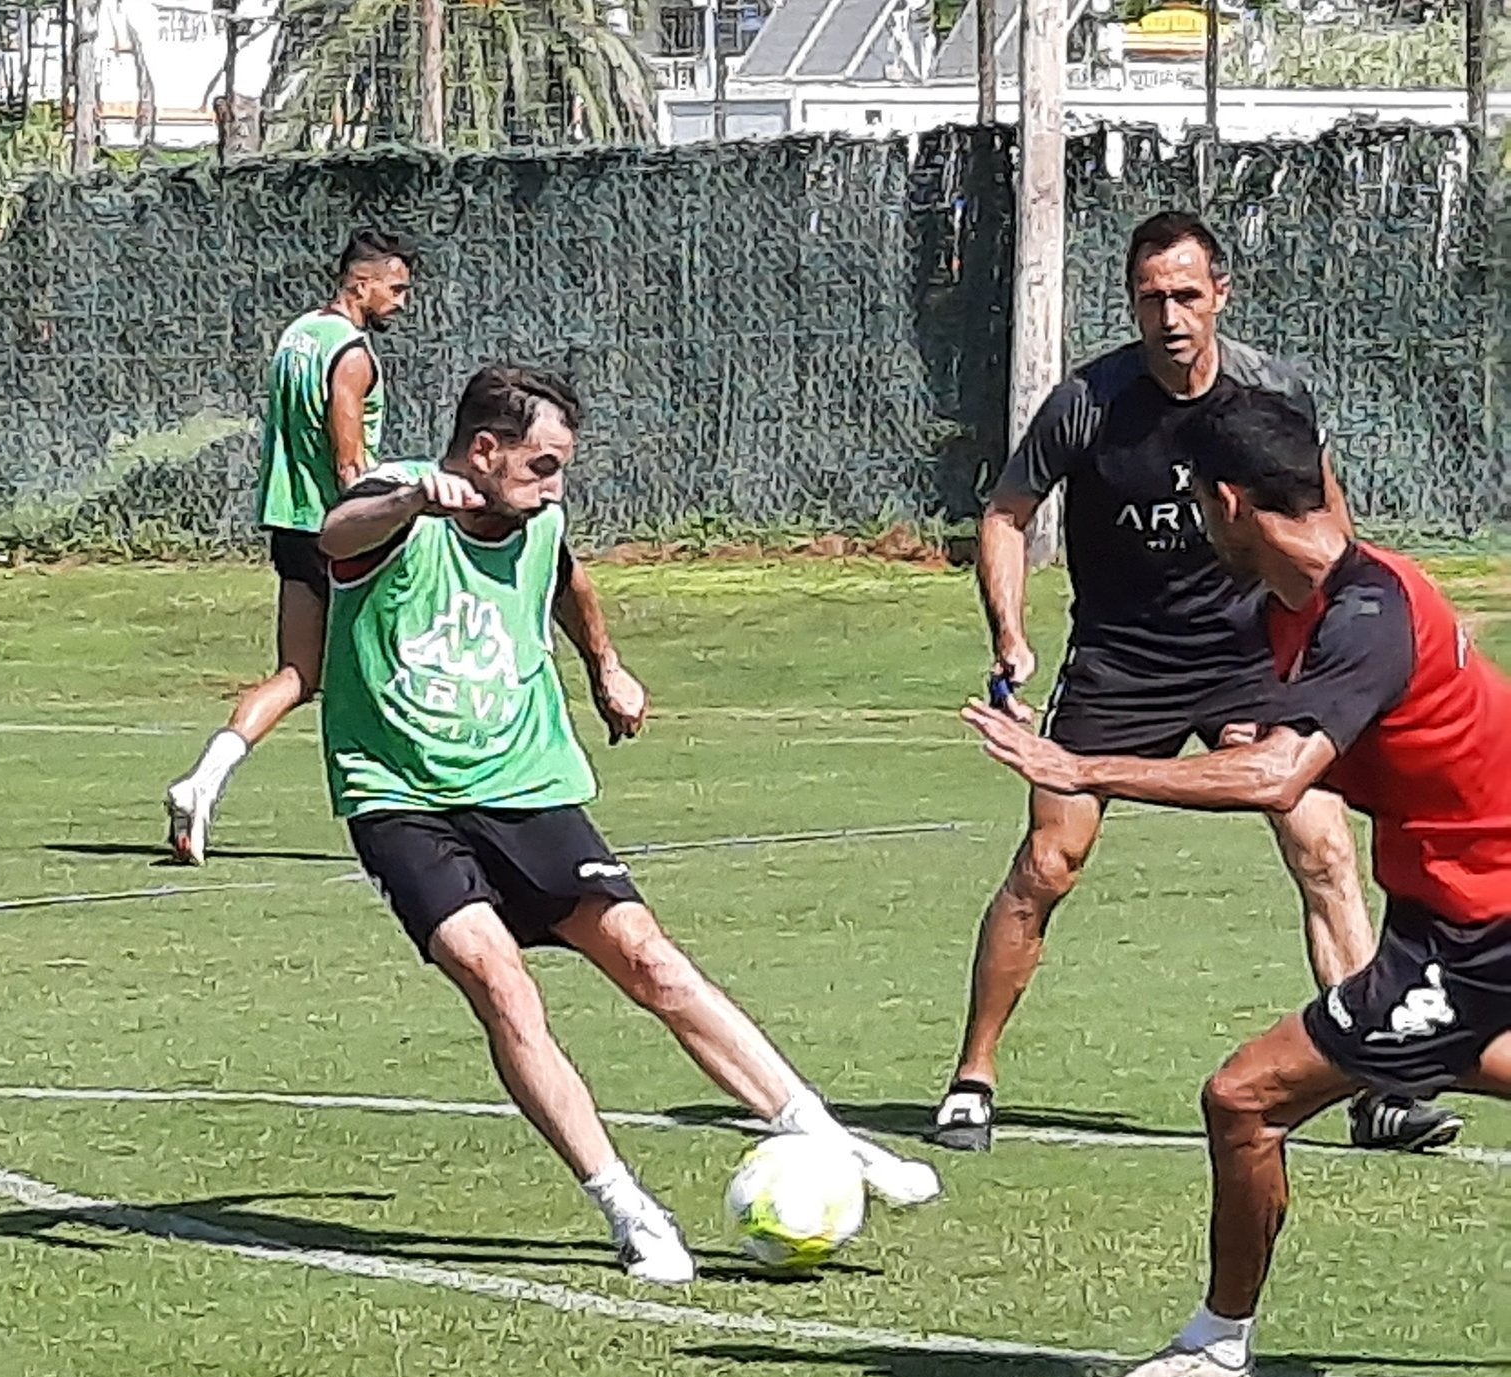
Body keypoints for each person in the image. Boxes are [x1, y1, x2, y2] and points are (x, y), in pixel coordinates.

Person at [318, 363, 941, 1284]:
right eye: (541, 464)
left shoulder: (540, 522)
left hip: (526, 782)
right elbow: (340, 532)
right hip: (403, 801)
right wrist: (414, 494)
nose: (554, 486)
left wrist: (606, 664)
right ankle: (627, 1208)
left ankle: (827, 1138)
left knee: (651, 958)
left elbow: (568, 582)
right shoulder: (395, 505)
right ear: (482, 451)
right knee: (500, 982)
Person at [965, 383, 1511, 1377]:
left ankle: (1214, 1352)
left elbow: (1270, 776)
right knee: (1441, 1052)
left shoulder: (1363, 618)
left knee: (1242, 1100)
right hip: (1455, 906)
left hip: (1475, 918)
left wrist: (1085, 767)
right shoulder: (1297, 605)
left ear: (1225, 501)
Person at [933, 209, 1460, 1155]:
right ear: (1132, 305)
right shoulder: (1089, 402)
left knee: (1324, 849)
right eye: (1150, 299)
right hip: (1121, 662)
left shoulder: (1271, 391)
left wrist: (1346, 639)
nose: (1170, 316)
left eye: (1186, 294)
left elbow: (1324, 524)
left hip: (1246, 656)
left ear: (1220, 293)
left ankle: (1377, 1083)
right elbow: (1007, 516)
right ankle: (974, 1074)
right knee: (1050, 863)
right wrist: (1010, 634)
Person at [164, 227, 417, 864]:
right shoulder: (352, 354)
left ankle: (203, 781)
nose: (402, 302)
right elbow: (350, 464)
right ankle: (425, 820)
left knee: (299, 674)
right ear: (361, 283)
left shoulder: (298, 335)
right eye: (396, 289)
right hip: (339, 534)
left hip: (289, 525)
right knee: (397, 664)